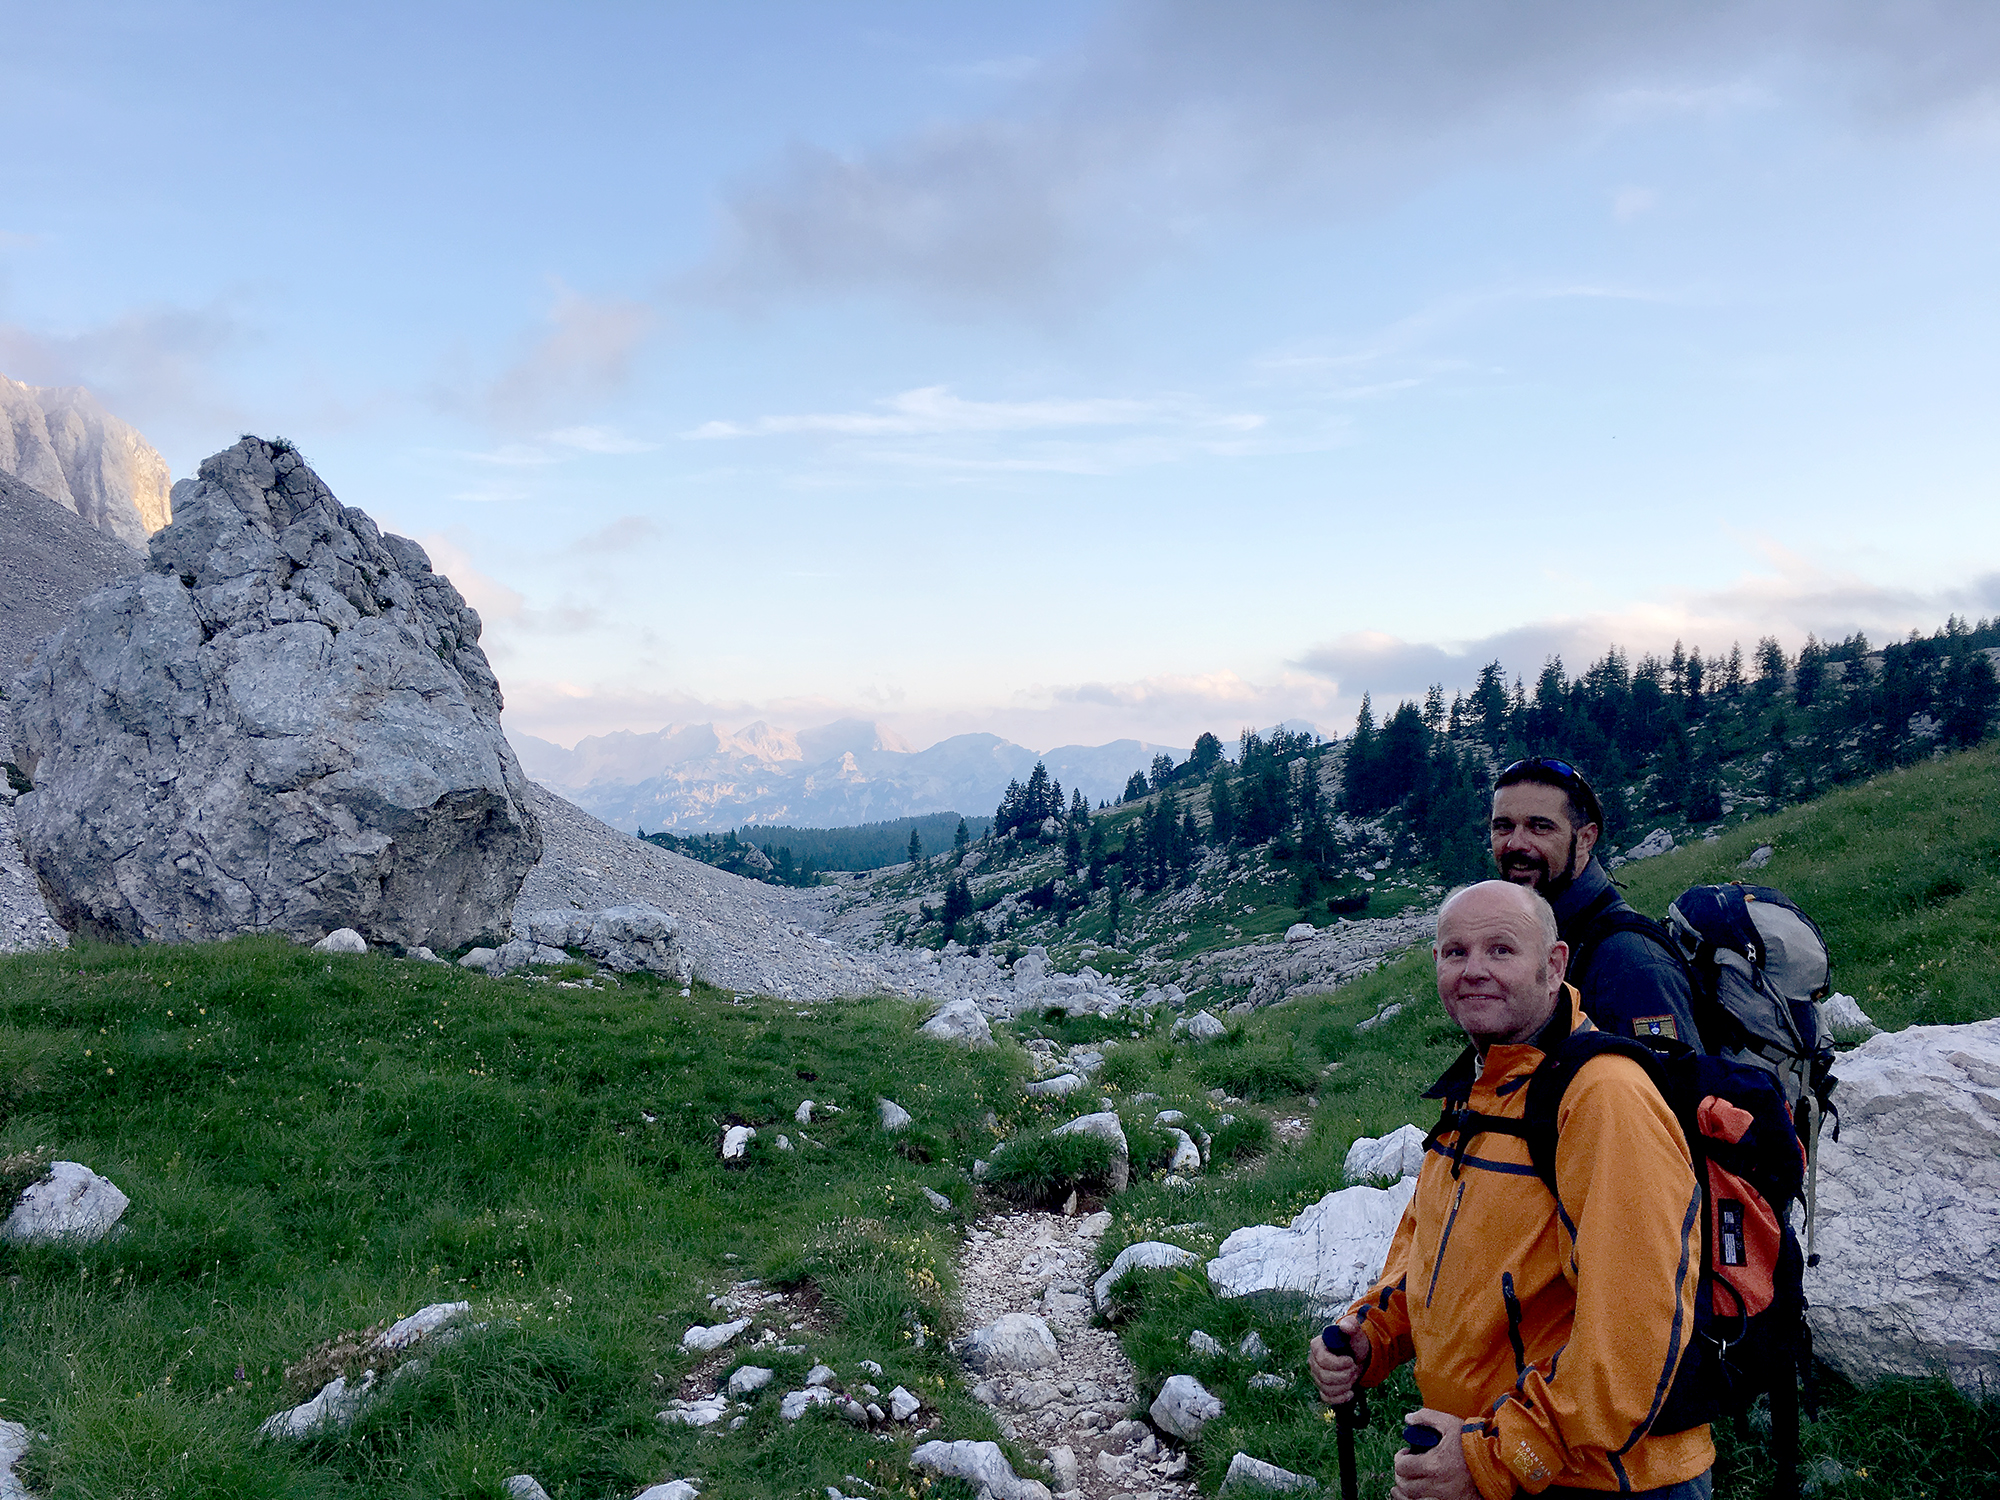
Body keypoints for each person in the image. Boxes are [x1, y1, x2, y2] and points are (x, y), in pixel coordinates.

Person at [1308, 881, 1712, 1500]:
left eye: (1501, 950)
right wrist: (1373, 1333)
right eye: (1454, 953)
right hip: (1497, 1460)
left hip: (1598, 1478)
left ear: (1554, 966)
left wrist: (1495, 1458)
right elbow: (1434, 1255)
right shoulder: (1480, 1091)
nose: (1473, 971)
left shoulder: (1603, 1099)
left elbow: (1632, 1335)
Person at [1488, 756, 1700, 1049]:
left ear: (1586, 838)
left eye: (1539, 827)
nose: (1516, 843)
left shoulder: (1630, 963)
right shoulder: (1549, 935)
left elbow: (1675, 1088)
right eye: (1503, 827)